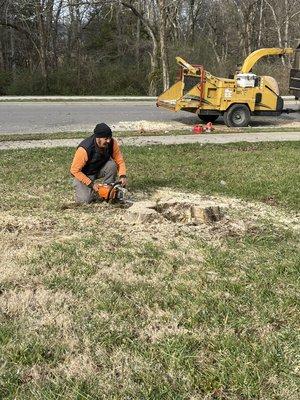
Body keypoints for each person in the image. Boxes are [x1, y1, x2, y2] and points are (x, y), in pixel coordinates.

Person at [70, 123, 127, 204]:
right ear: (98, 138)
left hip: (98, 169)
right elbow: (74, 170)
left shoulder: (112, 143)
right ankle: (94, 192)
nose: (108, 141)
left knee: (112, 165)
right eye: (106, 138)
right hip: (84, 175)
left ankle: (108, 191)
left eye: (110, 138)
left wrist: (122, 175)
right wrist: (91, 184)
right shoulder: (84, 149)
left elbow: (119, 160)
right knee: (84, 200)